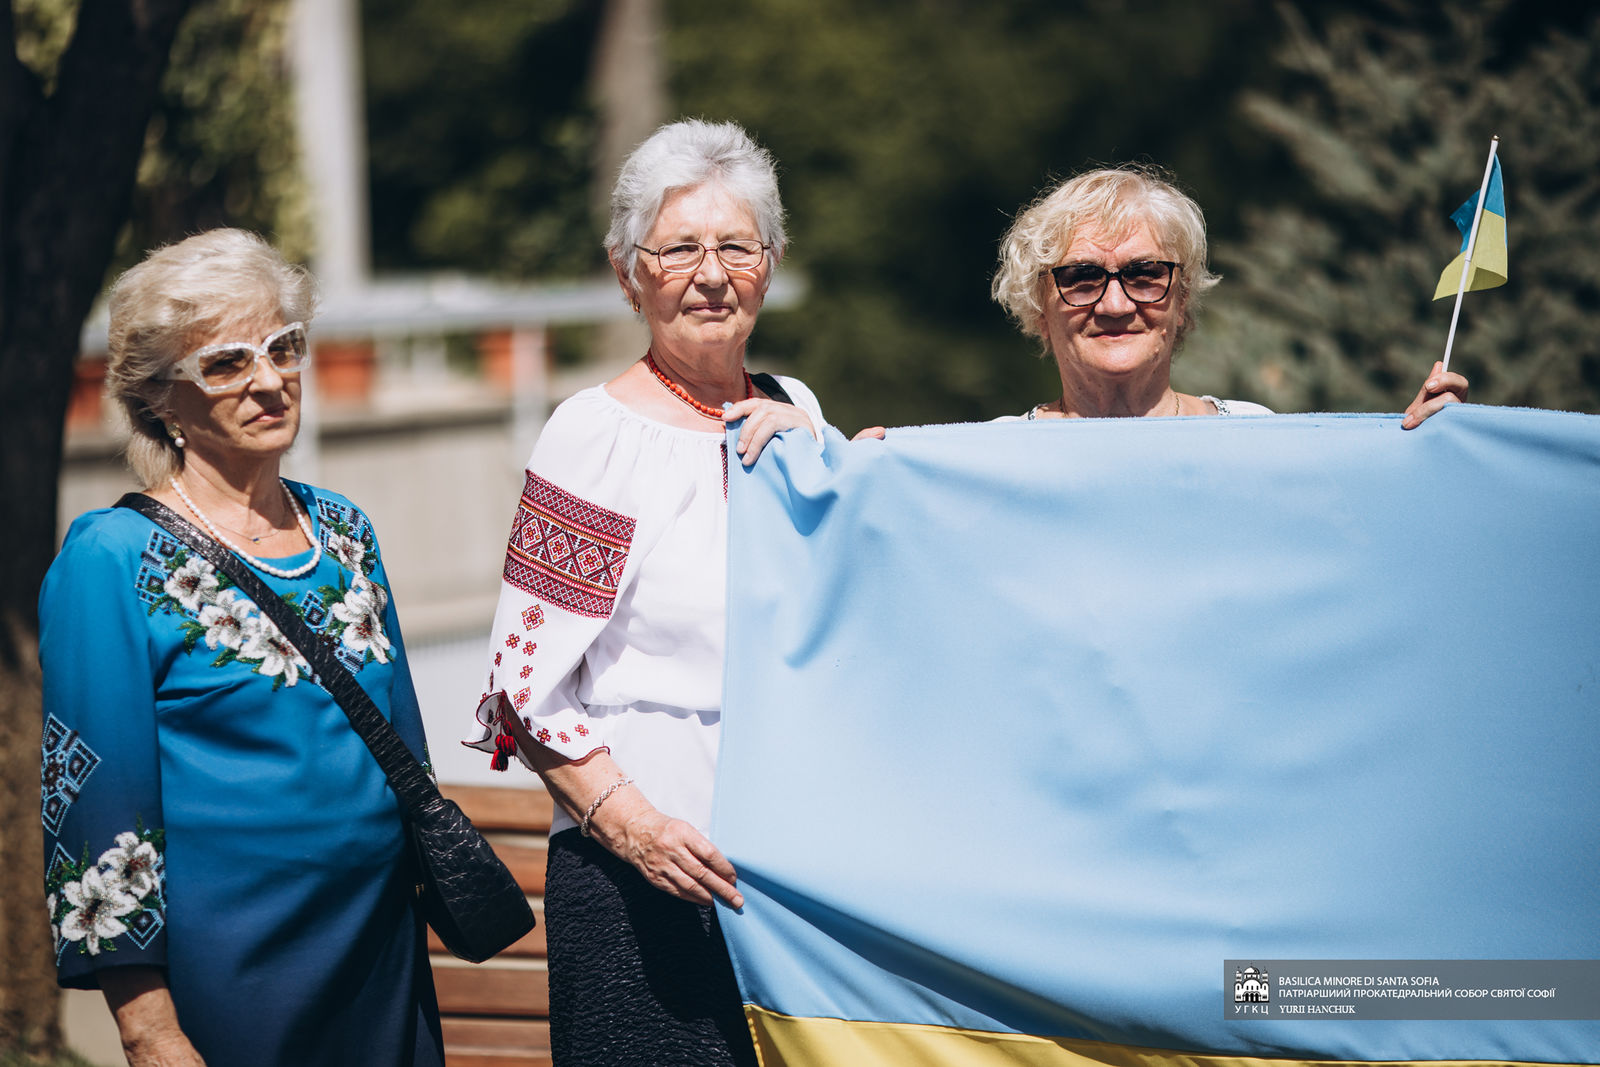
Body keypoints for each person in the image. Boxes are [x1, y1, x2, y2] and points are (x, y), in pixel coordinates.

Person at [461, 119, 822, 1066]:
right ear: (629, 274)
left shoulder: (797, 410)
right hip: (643, 883)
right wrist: (637, 829)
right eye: (679, 250)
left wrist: (829, 463)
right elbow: (523, 687)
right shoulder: (594, 436)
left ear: (771, 265)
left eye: (737, 246)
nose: (712, 274)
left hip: (787, 882)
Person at [39, 230, 443, 1067]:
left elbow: (407, 751)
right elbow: (95, 807)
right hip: (235, 975)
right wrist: (149, 1029)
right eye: (225, 363)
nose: (268, 380)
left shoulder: (345, 530)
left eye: (282, 347)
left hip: (380, 960)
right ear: (161, 399)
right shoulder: (111, 558)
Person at [987, 165, 1468, 424]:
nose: (1115, 304)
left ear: (1182, 301)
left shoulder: (1252, 432)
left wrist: (1418, 446)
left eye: (1145, 273)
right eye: (1082, 277)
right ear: (1038, 307)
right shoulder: (990, 460)